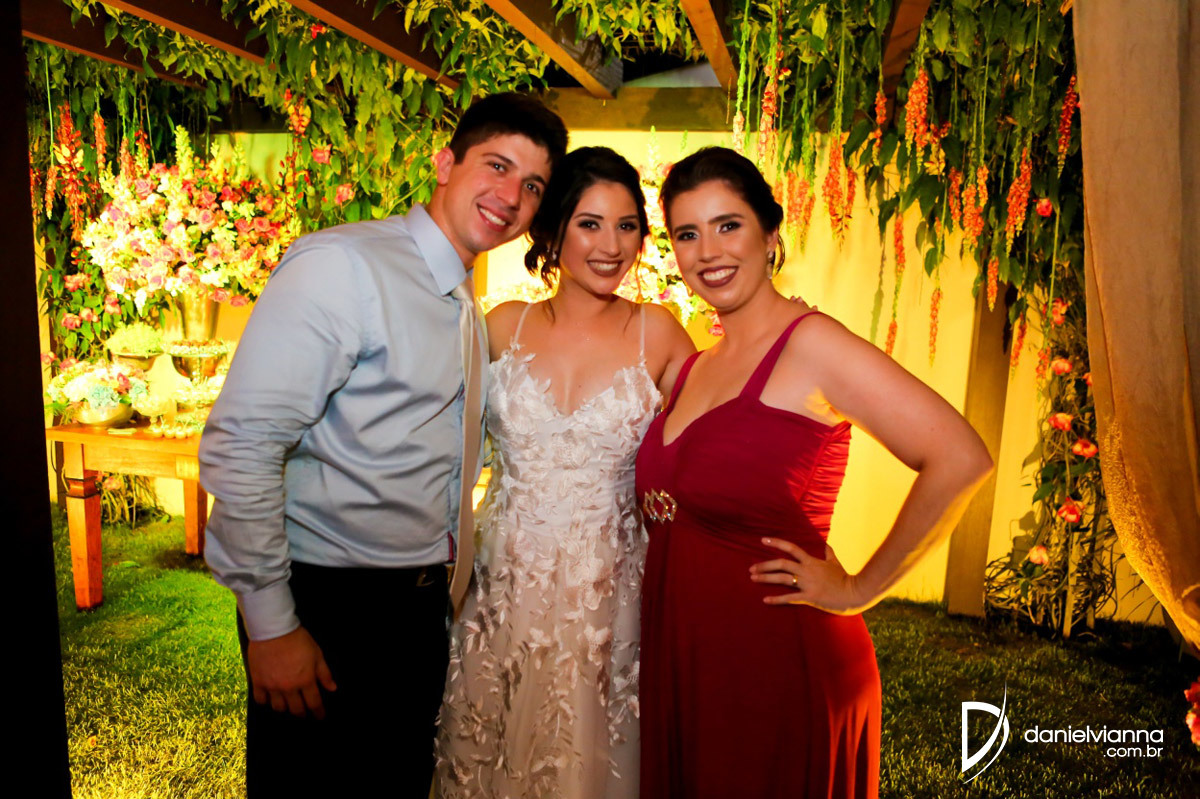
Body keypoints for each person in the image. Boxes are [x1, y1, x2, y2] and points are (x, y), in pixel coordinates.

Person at [198, 93, 568, 798]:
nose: (511, 196)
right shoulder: (346, 265)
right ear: (445, 163)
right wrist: (271, 625)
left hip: (416, 612)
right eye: (496, 166)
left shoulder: (461, 297)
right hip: (331, 607)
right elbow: (244, 443)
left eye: (532, 186)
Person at [634, 147, 994, 799]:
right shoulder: (695, 365)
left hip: (776, 659)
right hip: (688, 657)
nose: (708, 251)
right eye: (687, 233)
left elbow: (960, 457)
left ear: (771, 235)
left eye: (728, 225)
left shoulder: (812, 344)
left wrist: (862, 587)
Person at [434, 146, 695, 798]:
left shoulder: (660, 333)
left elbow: (706, 452)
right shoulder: (502, 326)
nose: (612, 245)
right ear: (552, 231)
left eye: (627, 225)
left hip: (609, 595)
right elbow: (441, 444)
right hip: (501, 583)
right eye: (590, 223)